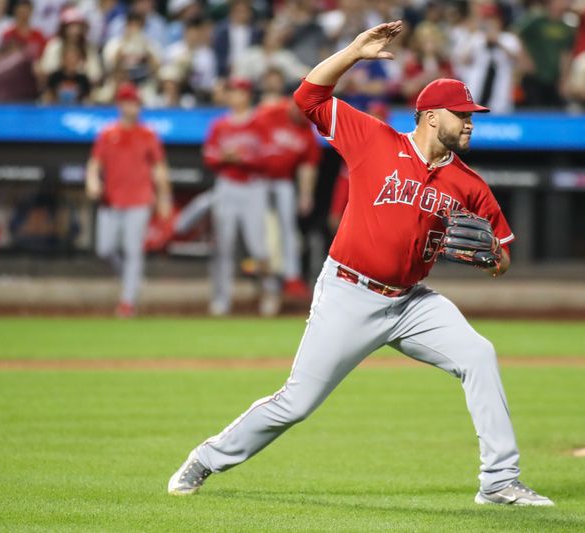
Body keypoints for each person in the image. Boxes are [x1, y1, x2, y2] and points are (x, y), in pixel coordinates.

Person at [169, 21, 554, 507]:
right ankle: (206, 459)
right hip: (349, 293)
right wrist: (353, 52)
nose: (471, 123)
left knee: (479, 356)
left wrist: (493, 259)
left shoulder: (470, 184)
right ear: (431, 117)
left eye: (472, 115)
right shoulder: (374, 140)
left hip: (412, 303)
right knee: (296, 403)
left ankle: (499, 482)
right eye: (463, 115)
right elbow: (307, 97)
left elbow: (502, 254)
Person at [85, 82, 172, 317]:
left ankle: (127, 301)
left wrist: (164, 196)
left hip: (139, 199)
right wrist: (92, 181)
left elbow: (159, 167)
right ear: (119, 105)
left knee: (133, 251)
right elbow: (95, 164)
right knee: (105, 248)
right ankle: (130, 281)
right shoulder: (107, 133)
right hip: (111, 200)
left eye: (134, 103)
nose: (131, 107)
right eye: (127, 102)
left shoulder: (148, 134)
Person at [201, 78, 279, 316]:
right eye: (231, 92)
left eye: (238, 92)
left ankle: (269, 292)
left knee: (258, 247)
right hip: (227, 186)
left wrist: (242, 158)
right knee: (223, 246)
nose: (234, 96)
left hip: (254, 187)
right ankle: (221, 300)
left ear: (246, 95)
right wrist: (226, 158)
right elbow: (210, 157)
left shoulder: (260, 122)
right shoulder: (220, 124)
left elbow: (269, 157)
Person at [247, 96, 322, 301]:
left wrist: (306, 194)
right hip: (255, 179)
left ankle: (292, 277)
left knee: (288, 228)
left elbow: (308, 166)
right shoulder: (272, 110)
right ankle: (264, 275)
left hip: (283, 181)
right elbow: (248, 127)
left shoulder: (306, 128)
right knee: (260, 228)